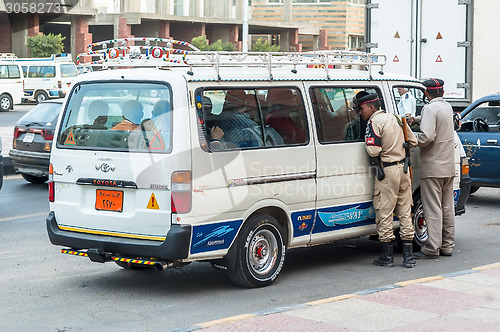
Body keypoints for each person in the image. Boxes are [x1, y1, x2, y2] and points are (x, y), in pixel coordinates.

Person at [357, 91, 418, 268]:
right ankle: (408, 258)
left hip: (388, 171)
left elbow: (374, 151)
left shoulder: (374, 122)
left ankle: (387, 256)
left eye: (362, 109)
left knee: (384, 212)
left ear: (371, 107)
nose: (361, 113)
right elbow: (413, 141)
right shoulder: (396, 118)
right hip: (404, 169)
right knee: (405, 212)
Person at [411, 79, 456, 259]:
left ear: (426, 94)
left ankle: (432, 247)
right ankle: (447, 245)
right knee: (447, 208)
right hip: (447, 166)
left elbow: (427, 137)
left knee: (433, 208)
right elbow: (437, 120)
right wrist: (417, 120)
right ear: (442, 93)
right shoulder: (447, 107)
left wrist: (411, 138)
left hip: (432, 167)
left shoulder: (429, 108)